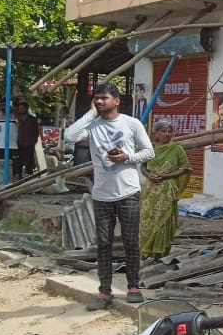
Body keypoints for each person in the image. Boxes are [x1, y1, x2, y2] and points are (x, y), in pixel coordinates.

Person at [64, 83, 155, 311]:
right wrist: (92, 112)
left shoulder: (131, 123)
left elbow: (149, 151)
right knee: (103, 244)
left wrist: (127, 157)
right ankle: (104, 291)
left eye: (104, 98)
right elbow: (70, 136)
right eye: (97, 98)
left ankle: (133, 286)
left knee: (130, 241)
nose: (100, 101)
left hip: (128, 192)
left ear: (116, 101)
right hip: (102, 194)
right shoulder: (92, 125)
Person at [139, 120, 191, 261]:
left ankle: (159, 254)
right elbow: (143, 166)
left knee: (164, 221)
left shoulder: (176, 149)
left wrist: (166, 176)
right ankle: (146, 251)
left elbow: (185, 168)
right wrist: (149, 175)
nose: (167, 134)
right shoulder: (149, 148)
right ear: (156, 133)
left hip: (167, 191)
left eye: (169, 131)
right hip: (151, 189)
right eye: (163, 131)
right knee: (147, 220)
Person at [15, 102, 40, 179]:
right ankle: (18, 177)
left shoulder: (32, 119)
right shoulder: (16, 118)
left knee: (29, 162)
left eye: (22, 108)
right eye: (19, 108)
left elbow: (36, 132)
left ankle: (29, 177)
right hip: (19, 143)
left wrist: (33, 141)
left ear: (26, 109)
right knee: (19, 161)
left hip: (29, 143)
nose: (21, 110)